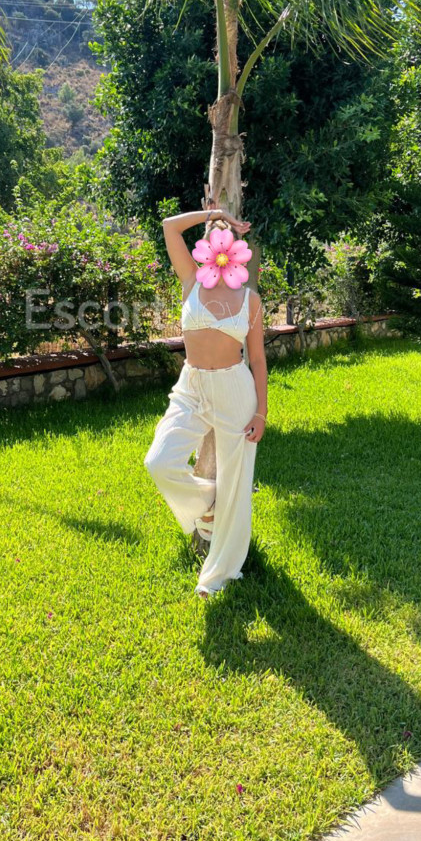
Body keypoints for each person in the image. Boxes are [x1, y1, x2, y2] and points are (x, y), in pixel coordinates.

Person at [143, 206, 268, 599]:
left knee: (237, 486)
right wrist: (214, 211)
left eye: (226, 236)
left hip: (234, 389)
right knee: (159, 462)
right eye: (213, 234)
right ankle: (208, 499)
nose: (220, 242)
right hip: (192, 386)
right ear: (206, 245)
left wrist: (261, 412)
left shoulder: (249, 300)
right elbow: (169, 226)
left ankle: (216, 576)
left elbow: (258, 359)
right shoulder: (191, 281)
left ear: (236, 247)